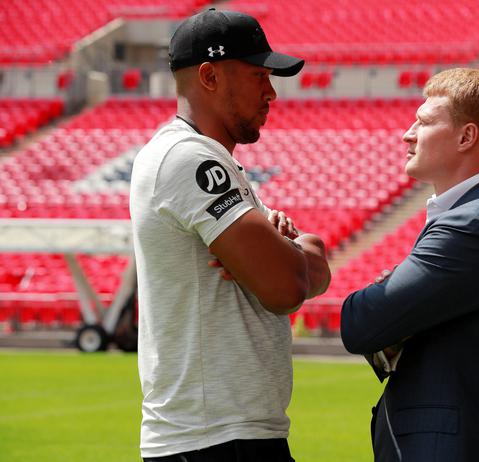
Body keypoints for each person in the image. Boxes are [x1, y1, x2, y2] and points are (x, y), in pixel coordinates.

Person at [129, 8, 331, 462]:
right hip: (214, 437)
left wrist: (289, 252)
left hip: (226, 434)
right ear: (209, 76)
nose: (272, 92)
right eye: (259, 75)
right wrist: (288, 256)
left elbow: (311, 264)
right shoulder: (189, 159)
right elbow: (287, 287)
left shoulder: (214, 161)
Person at [341, 68, 479, 462]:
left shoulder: (472, 225)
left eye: (423, 122)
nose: (407, 134)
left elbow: (360, 324)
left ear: (466, 137)